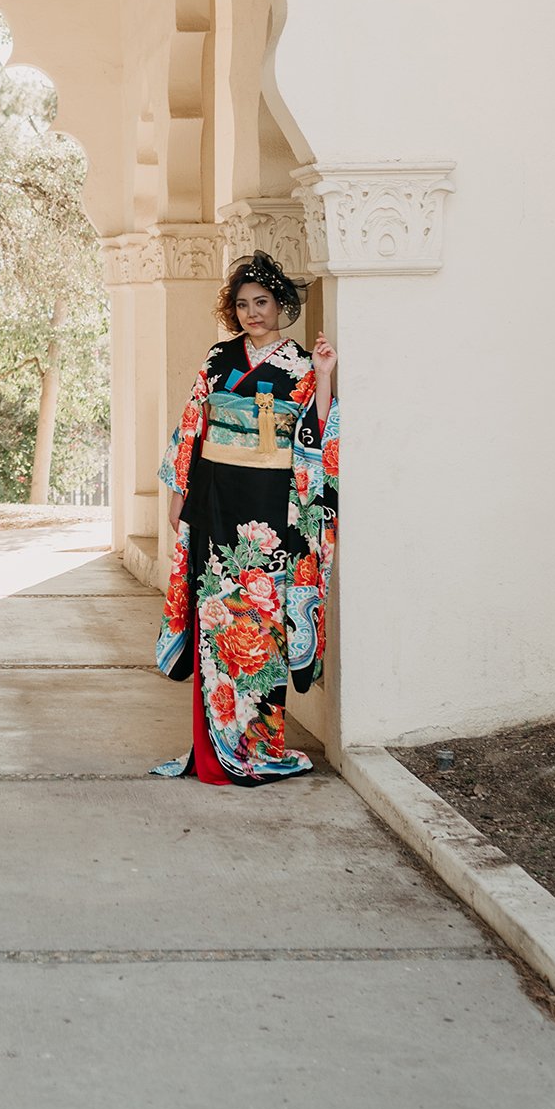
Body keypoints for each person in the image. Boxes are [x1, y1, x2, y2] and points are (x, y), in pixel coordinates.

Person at [152, 250, 338, 784]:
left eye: (262, 302)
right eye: (242, 304)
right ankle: (213, 749)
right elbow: (192, 427)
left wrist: (323, 376)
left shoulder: (302, 365)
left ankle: (260, 745)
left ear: (282, 304)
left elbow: (318, 435)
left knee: (263, 626)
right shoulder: (218, 359)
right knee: (217, 624)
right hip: (216, 502)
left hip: (273, 508)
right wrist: (177, 493)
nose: (252, 313)